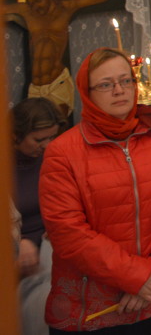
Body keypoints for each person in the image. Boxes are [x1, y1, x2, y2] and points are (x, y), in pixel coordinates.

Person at [39, 47, 151, 333]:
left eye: (126, 81)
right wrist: (137, 277)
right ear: (87, 93)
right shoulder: (62, 152)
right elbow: (68, 232)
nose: (119, 90)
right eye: (105, 84)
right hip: (93, 308)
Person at [3, 0, 118, 117]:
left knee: (60, 123)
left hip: (57, 82)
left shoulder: (66, 7)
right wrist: (13, 17)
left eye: (38, 0)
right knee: (37, 126)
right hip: (35, 87)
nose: (35, 5)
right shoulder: (27, 10)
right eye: (31, 2)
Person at [12, 97, 66, 335]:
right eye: (38, 139)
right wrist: (18, 241)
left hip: (51, 245)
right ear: (16, 135)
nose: (47, 145)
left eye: (51, 137)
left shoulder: (54, 156)